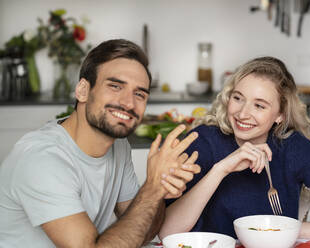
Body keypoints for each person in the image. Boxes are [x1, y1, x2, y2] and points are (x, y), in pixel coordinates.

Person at [0, 39, 201, 247]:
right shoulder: (42, 158)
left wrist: (160, 188)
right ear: (83, 91)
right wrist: (151, 188)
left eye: (139, 94)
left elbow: (144, 231)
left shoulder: (118, 146)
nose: (128, 103)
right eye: (115, 86)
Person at [159, 56, 310, 240]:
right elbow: (168, 231)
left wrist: (291, 230)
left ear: (280, 114)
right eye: (238, 98)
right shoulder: (203, 141)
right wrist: (220, 170)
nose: (242, 114)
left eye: (259, 105)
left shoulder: (292, 147)